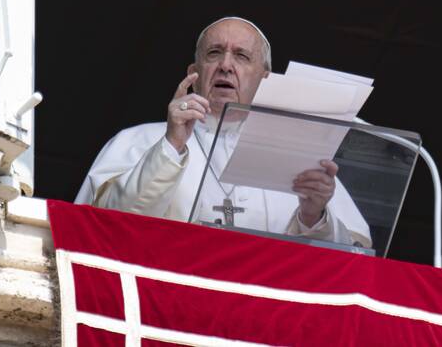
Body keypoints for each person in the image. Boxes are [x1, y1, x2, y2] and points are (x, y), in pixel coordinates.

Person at [75, 17, 371, 247]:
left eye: (242, 56)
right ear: (195, 71)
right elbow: (105, 230)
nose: (226, 66)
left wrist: (314, 215)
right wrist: (171, 147)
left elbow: (349, 262)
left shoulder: (298, 157)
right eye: (215, 53)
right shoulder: (138, 141)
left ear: (264, 79)